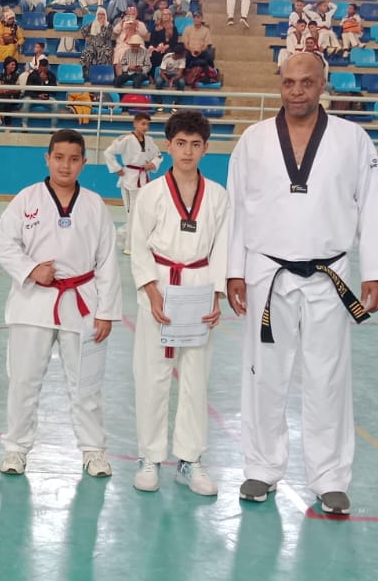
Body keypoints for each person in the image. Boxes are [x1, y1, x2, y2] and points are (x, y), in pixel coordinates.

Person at [226, 53, 378, 515]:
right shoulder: (253, 140)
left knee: (328, 376)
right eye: (289, 83)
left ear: (323, 85)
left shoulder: (353, 139)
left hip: (329, 275)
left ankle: (330, 477)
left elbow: (371, 204)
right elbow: (237, 208)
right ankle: (261, 467)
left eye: (307, 82)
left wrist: (375, 270)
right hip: (266, 273)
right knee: (263, 373)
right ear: (279, 84)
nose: (297, 91)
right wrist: (233, 269)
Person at [0, 129, 121, 477]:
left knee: (86, 384)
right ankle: (16, 449)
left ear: (84, 162)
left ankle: (93, 450)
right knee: (23, 381)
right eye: (59, 158)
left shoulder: (94, 204)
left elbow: (107, 260)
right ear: (47, 159)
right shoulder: (27, 199)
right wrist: (32, 270)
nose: (66, 165)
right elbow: (3, 243)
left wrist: (107, 311)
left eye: (74, 159)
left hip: (82, 302)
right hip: (32, 302)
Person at [128, 110, 228, 495]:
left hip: (199, 288)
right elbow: (138, 245)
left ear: (206, 148)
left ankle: (190, 460)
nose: (187, 151)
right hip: (159, 287)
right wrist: (151, 291)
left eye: (195, 145)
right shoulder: (151, 193)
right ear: (168, 146)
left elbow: (222, 247)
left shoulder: (217, 195)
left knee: (195, 378)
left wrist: (216, 295)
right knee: (152, 375)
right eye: (181, 143)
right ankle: (149, 457)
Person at [103, 111, 162, 248]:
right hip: (129, 179)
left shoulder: (149, 140)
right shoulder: (126, 139)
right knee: (132, 213)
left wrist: (153, 164)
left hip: (144, 179)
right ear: (135, 124)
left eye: (147, 124)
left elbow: (158, 155)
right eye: (143, 124)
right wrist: (116, 168)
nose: (145, 127)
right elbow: (108, 152)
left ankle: (132, 239)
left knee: (143, 213)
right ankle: (129, 245)